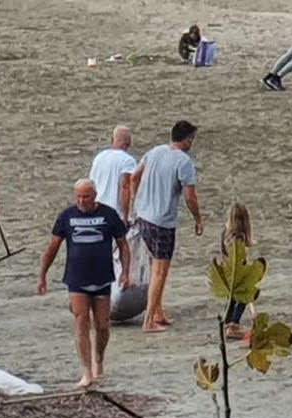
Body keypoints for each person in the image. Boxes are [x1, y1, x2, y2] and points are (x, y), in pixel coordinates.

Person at [37, 179, 131, 390]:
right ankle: (86, 371)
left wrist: (126, 272)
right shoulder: (67, 216)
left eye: (86, 196)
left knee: (103, 325)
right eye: (78, 196)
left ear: (95, 195)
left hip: (102, 277)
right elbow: (52, 247)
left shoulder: (108, 215)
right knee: (81, 320)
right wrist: (42, 275)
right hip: (76, 278)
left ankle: (99, 359)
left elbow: (123, 245)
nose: (82, 201)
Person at [130, 120, 203, 332]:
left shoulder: (155, 151)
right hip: (162, 221)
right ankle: (149, 320)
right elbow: (190, 197)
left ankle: (158, 312)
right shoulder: (183, 161)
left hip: (144, 215)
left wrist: (138, 200)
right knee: (160, 271)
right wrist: (198, 219)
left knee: (155, 265)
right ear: (187, 139)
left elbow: (134, 176)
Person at [219, 202, 255, 341]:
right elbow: (239, 258)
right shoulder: (239, 237)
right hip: (236, 272)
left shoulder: (225, 233)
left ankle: (227, 322)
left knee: (232, 298)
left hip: (227, 270)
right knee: (242, 298)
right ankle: (233, 324)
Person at [87, 125, 137, 221]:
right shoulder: (128, 161)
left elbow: (91, 183)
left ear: (112, 139)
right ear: (129, 143)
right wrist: (125, 216)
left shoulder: (99, 157)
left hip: (96, 209)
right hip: (114, 211)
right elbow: (125, 187)